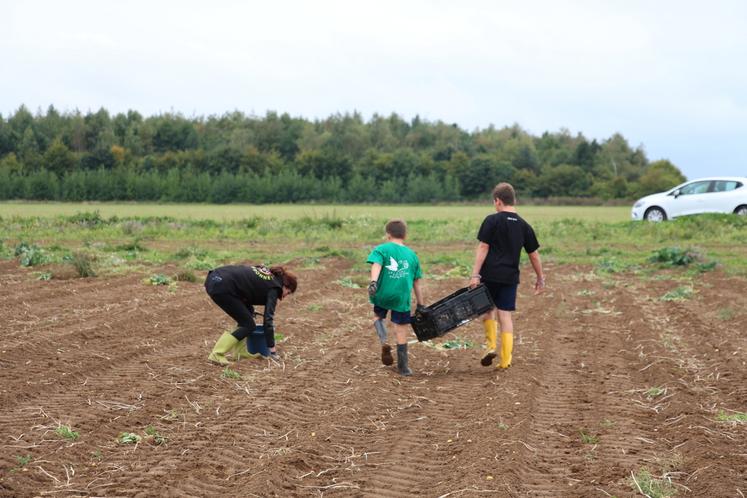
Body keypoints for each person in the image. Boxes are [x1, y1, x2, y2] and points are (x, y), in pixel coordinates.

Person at [469, 183, 545, 369]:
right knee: (505, 316)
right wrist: (540, 277)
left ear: (498, 201)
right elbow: (533, 254)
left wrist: (475, 274)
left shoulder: (491, 220)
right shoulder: (524, 226)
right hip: (510, 277)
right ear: (514, 200)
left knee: (487, 311)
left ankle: (490, 347)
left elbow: (483, 247)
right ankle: (505, 360)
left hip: (489, 275)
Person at [204, 264, 297, 366]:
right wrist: (272, 350)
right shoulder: (274, 288)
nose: (284, 297)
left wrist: (250, 311)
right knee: (249, 325)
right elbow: (268, 320)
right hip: (222, 285)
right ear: (286, 285)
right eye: (288, 293)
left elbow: (247, 288)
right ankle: (217, 353)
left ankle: (240, 352)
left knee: (246, 318)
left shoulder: (270, 278)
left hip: (215, 278)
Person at [367, 219, 424, 376]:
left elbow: (376, 265)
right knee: (401, 330)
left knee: (378, 316)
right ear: (405, 235)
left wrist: (374, 282)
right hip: (401, 296)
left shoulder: (381, 249)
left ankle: (384, 342)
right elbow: (416, 282)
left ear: (388, 235)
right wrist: (420, 304)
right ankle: (403, 367)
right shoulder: (412, 255)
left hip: (382, 293)